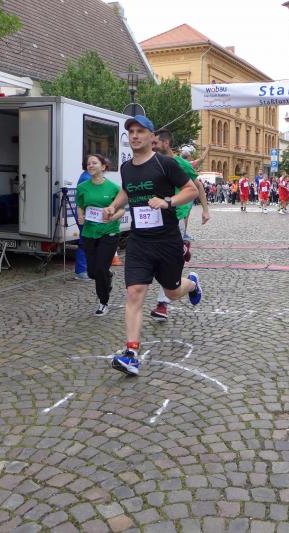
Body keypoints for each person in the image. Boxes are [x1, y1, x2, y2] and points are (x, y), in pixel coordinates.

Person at [102, 115, 202, 376]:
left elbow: (191, 190)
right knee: (135, 292)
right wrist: (114, 205)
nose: (135, 136)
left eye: (140, 131)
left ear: (152, 136)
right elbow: (127, 191)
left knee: (172, 292)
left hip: (167, 240)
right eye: (131, 132)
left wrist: (167, 202)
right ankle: (131, 354)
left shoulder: (165, 163)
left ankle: (192, 284)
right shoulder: (126, 168)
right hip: (139, 241)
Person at [151, 128, 210, 321]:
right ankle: (184, 252)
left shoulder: (181, 164)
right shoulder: (151, 162)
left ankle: (162, 304)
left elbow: (198, 186)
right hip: (155, 218)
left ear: (166, 143)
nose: (152, 146)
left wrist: (205, 210)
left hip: (176, 216)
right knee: (156, 258)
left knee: (167, 259)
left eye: (155, 142)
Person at [76, 154, 124, 315]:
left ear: (103, 167)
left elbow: (122, 210)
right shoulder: (82, 187)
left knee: (101, 268)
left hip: (109, 232)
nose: (90, 165)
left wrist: (112, 217)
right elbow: (80, 205)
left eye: (94, 163)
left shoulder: (114, 188)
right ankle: (107, 276)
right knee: (92, 272)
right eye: (88, 163)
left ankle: (103, 302)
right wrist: (81, 216)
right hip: (89, 232)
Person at [74, 162, 94, 281]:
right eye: (90, 163)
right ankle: (81, 271)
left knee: (89, 242)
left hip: (89, 215)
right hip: (86, 215)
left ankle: (88, 269)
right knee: (85, 242)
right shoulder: (86, 178)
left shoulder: (88, 176)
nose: (92, 165)